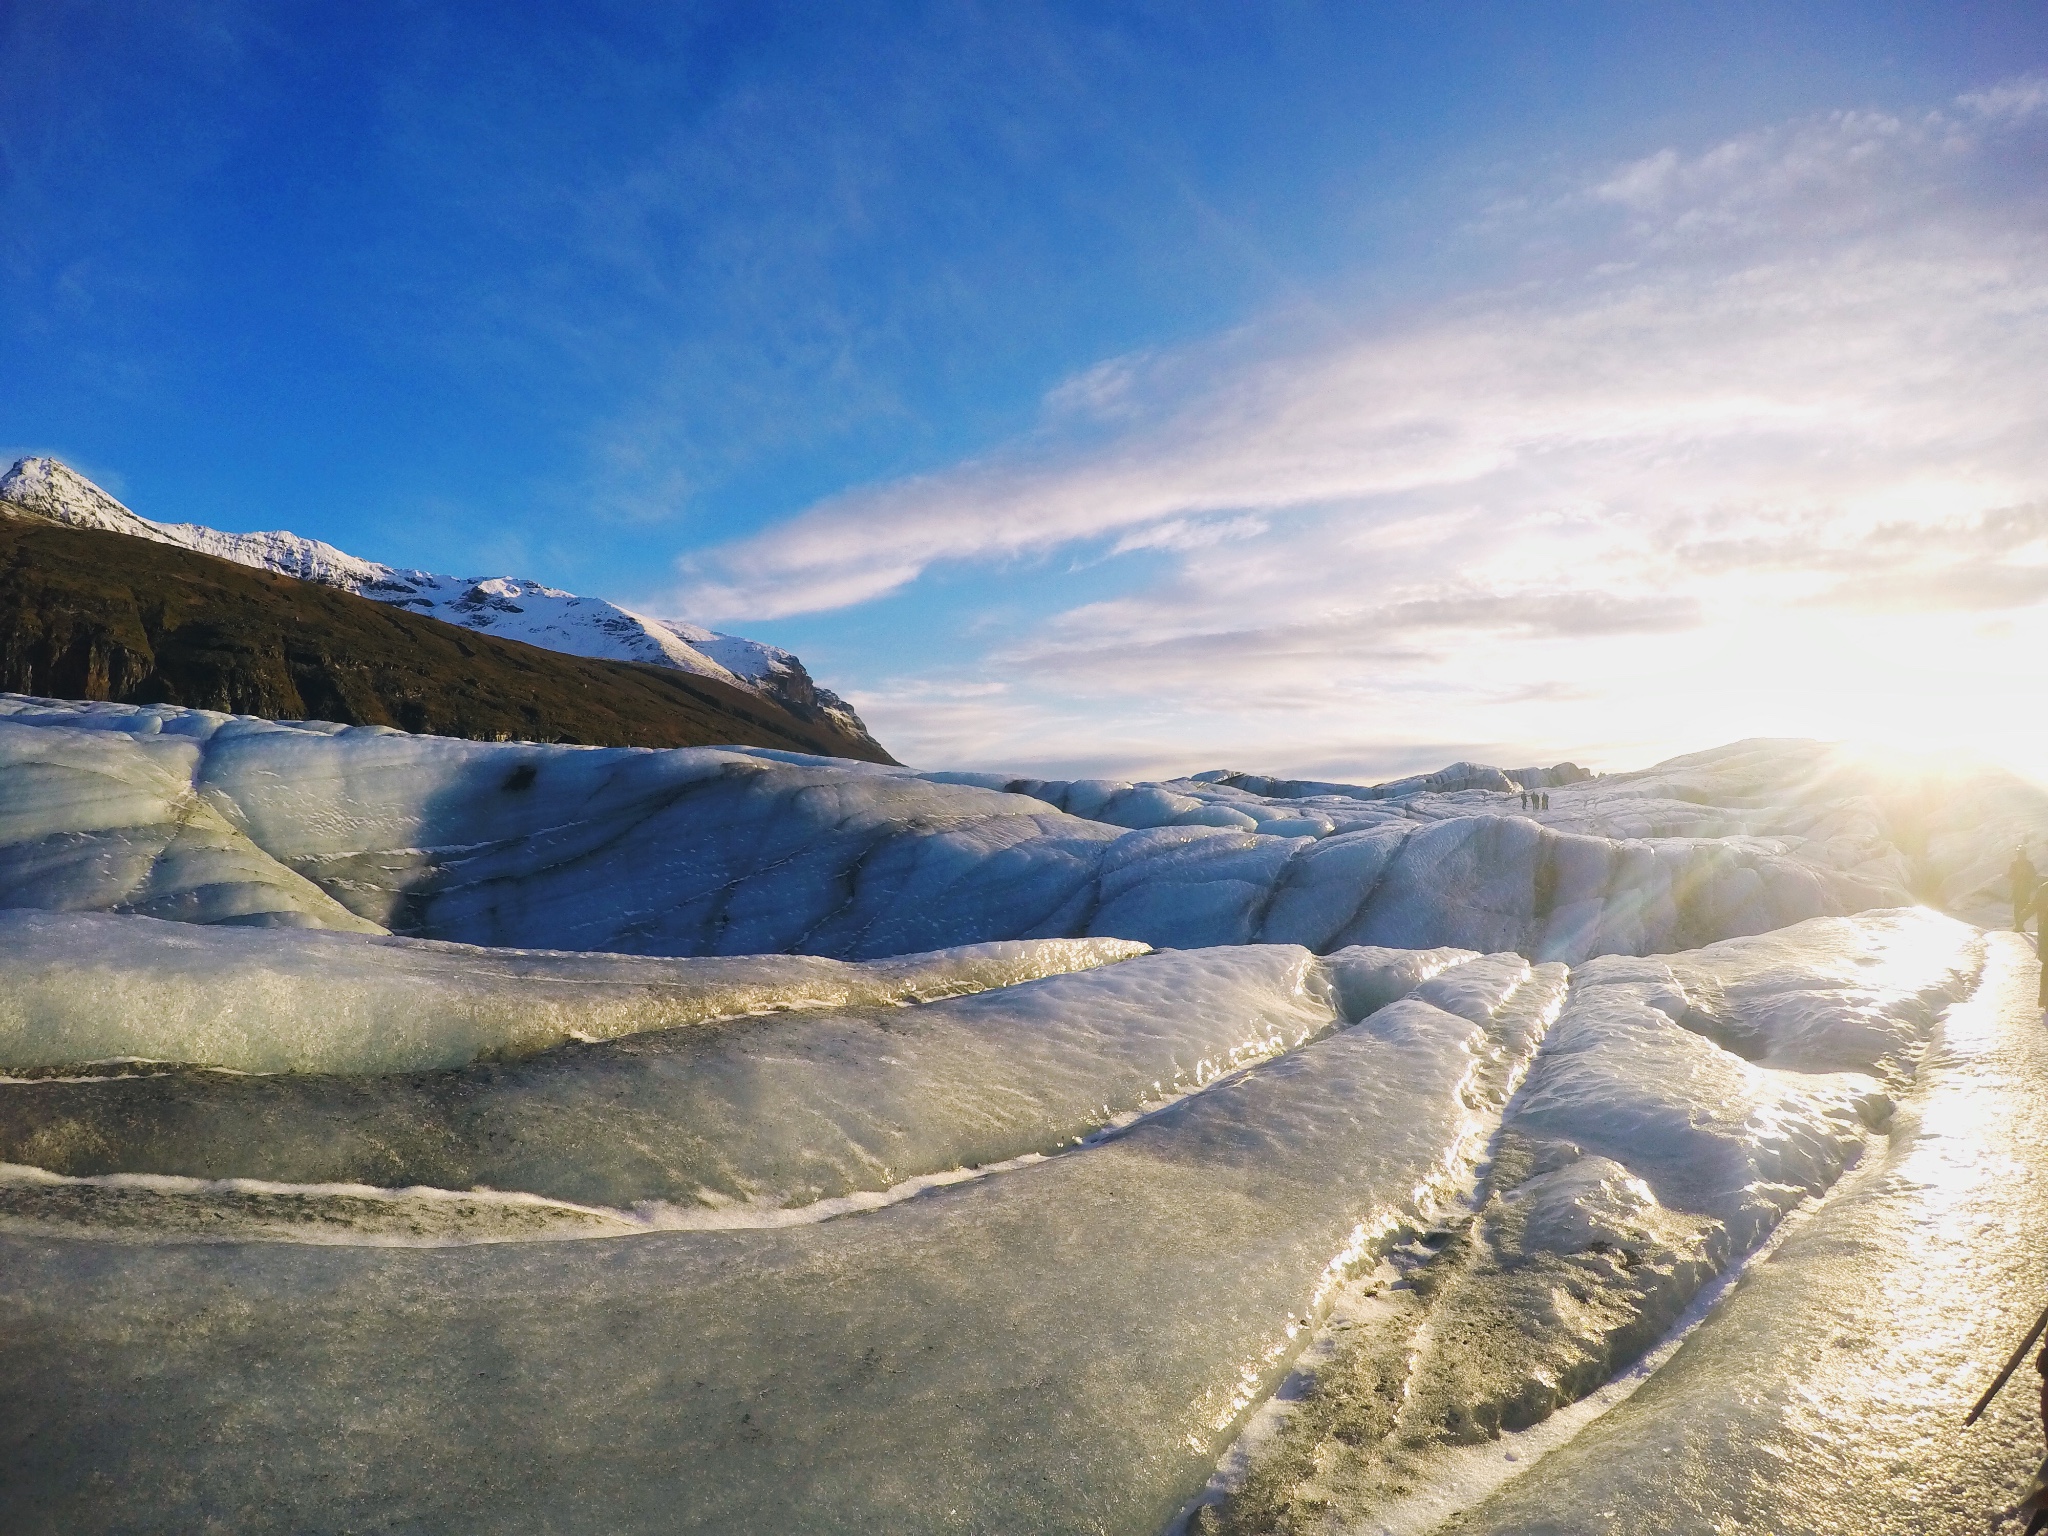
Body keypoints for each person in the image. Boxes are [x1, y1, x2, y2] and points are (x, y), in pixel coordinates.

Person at [2015, 847, 2040, 932]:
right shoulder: (2014, 864)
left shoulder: (2029, 864)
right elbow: (2010, 875)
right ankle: (2018, 925)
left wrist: (2026, 876)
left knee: (2025, 907)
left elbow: (2033, 874)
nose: (2019, 856)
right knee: (2017, 907)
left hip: (2025, 889)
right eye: (2018, 854)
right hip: (2017, 889)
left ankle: (2020, 924)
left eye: (2021, 854)